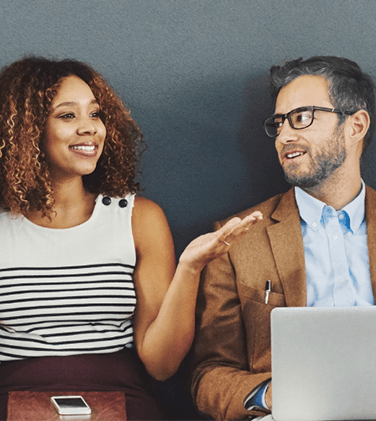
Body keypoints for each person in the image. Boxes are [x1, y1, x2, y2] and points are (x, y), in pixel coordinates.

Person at [0, 56, 262, 420]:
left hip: (121, 400)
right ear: (26, 131)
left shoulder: (139, 218)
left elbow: (161, 365)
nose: (90, 128)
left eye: (95, 114)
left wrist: (190, 269)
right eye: (67, 115)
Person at [191, 56, 376, 420]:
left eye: (302, 117)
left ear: (356, 125)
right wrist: (271, 394)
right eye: (279, 123)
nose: (285, 135)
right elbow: (209, 375)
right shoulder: (237, 239)